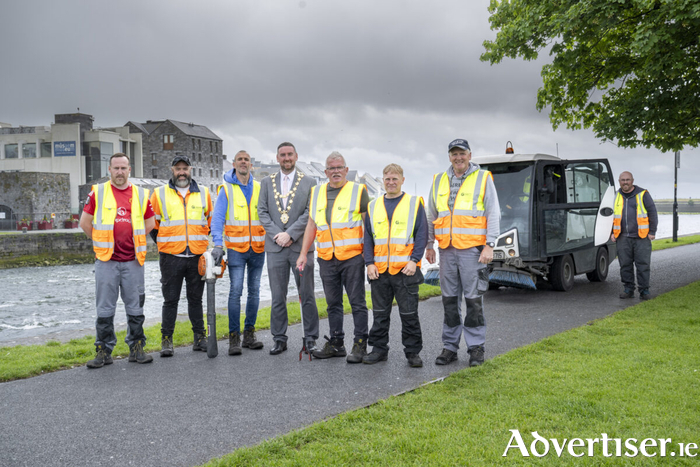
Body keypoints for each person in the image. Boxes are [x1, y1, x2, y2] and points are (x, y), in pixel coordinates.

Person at [425, 139, 500, 367]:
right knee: (449, 301)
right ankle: (450, 347)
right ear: (449, 156)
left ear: (470, 155)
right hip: (446, 250)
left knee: (473, 300)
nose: (458, 157)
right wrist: (429, 244)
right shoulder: (438, 180)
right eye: (454, 153)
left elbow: (493, 211)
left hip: (472, 251)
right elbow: (431, 214)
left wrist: (490, 244)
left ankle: (476, 348)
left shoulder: (483, 178)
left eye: (462, 153)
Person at [79, 153, 155, 368]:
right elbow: (85, 223)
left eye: (124, 168)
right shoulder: (98, 192)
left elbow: (149, 224)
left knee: (135, 307)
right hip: (106, 261)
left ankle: (137, 349)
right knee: (104, 309)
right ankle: (103, 351)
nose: (120, 172)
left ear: (129, 170)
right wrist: (103, 241)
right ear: (109, 170)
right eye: (116, 168)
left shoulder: (141, 195)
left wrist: (133, 238)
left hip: (133, 261)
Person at [296, 151, 370, 363]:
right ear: (326, 171)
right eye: (331, 168)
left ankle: (360, 344)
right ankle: (337, 343)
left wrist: (370, 255)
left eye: (339, 167)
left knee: (357, 302)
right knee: (332, 303)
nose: (336, 171)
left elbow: (368, 224)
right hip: (327, 257)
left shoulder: (359, 191)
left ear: (346, 170)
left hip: (353, 256)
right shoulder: (317, 191)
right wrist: (303, 253)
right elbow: (312, 224)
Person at [258, 142, 320, 355]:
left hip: (301, 247)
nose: (286, 158)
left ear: (296, 156)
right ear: (277, 158)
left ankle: (310, 338)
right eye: (282, 155)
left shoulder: (310, 182)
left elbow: (309, 213)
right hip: (275, 248)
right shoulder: (266, 182)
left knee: (307, 294)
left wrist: (290, 234)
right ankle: (279, 338)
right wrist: (278, 235)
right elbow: (262, 212)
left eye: (290, 154)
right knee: (277, 295)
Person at [363, 164, 427, 368]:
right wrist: (369, 263)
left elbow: (422, 234)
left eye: (394, 179)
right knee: (380, 314)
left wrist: (414, 261)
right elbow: (367, 238)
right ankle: (379, 349)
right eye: (387, 179)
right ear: (383, 180)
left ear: (402, 180)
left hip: (405, 270)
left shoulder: (414, 203)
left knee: (409, 314)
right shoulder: (373, 206)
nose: (391, 182)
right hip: (379, 271)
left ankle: (412, 352)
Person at [150, 155, 213, 356]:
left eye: (185, 168)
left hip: (196, 255)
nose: (182, 172)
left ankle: (199, 338)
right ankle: (167, 340)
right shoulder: (159, 194)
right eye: (178, 168)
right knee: (170, 300)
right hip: (171, 256)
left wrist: (199, 243)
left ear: (190, 169)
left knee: (196, 300)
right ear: (172, 170)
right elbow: (153, 225)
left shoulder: (204, 193)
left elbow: (210, 222)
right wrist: (165, 244)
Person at [211, 150, 265, 356]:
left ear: (251, 165)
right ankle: (234, 337)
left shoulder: (261, 188)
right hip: (235, 249)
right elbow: (217, 220)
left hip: (258, 248)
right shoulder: (226, 189)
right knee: (235, 292)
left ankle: (249, 334)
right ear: (233, 164)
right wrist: (218, 244)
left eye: (247, 160)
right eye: (240, 159)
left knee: (255, 291)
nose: (243, 162)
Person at [611, 171, 658, 300]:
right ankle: (628, 289)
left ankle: (644, 291)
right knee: (625, 265)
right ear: (619, 181)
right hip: (622, 237)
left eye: (628, 180)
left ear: (632, 180)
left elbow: (652, 213)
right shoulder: (616, 196)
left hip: (641, 237)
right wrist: (611, 233)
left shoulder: (643, 194)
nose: (625, 182)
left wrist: (652, 232)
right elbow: (610, 215)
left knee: (643, 265)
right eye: (622, 180)